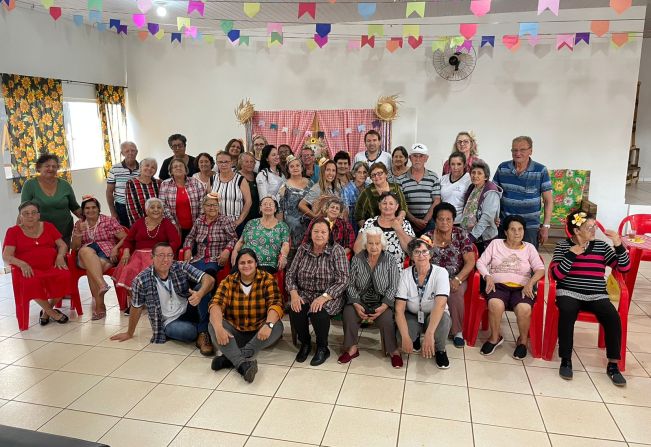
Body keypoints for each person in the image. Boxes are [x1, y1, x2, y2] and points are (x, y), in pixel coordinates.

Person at [551, 212, 630, 386]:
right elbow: (556, 274)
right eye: (589, 227)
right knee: (567, 312)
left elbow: (624, 268)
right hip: (568, 292)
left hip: (596, 294)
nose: (594, 230)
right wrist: (571, 255)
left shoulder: (601, 246)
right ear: (577, 230)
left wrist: (618, 244)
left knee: (612, 317)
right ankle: (566, 359)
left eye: (594, 226)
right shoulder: (563, 245)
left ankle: (613, 365)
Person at [111, 243, 216, 353]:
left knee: (202, 287)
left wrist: (199, 294)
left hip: (188, 308)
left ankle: (203, 331)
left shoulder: (180, 267)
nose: (166, 259)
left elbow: (209, 279)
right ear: (152, 257)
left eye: (169, 255)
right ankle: (204, 328)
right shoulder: (141, 280)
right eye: (161, 255)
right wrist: (129, 332)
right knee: (188, 332)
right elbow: (136, 307)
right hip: (170, 321)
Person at [208, 249, 284, 383]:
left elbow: (276, 303)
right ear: (237, 265)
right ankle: (243, 365)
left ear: (256, 263)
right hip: (234, 331)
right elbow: (216, 304)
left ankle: (230, 359)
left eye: (250, 262)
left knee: (277, 326)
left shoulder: (267, 279)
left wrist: (268, 325)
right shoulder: (228, 281)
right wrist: (219, 328)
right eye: (242, 263)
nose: (246, 265)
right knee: (213, 325)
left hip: (259, 332)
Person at [476, 215, 545, 359]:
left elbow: (540, 268)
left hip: (522, 287)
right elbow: (480, 262)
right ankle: (495, 338)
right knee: (495, 304)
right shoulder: (496, 244)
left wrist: (530, 283)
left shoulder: (529, 248)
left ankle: (523, 342)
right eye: (513, 229)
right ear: (506, 232)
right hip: (498, 286)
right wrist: (487, 276)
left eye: (520, 229)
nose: (517, 233)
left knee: (524, 308)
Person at [287, 218, 349, 366]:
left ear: (329, 234)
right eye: (316, 231)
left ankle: (322, 347)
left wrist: (324, 297)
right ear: (310, 233)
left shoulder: (337, 250)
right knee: (296, 309)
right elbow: (290, 274)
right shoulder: (303, 249)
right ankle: (306, 343)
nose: (319, 235)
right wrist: (294, 294)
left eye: (323, 232)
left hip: (330, 294)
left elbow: (343, 279)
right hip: (305, 292)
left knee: (318, 312)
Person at [341, 228, 402, 367]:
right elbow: (350, 284)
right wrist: (356, 302)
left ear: (382, 244)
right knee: (348, 313)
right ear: (365, 244)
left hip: (381, 302)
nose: (374, 247)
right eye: (370, 243)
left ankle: (393, 351)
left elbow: (394, 285)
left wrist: (385, 305)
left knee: (387, 319)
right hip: (360, 300)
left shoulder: (390, 259)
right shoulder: (357, 259)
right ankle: (351, 349)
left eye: (377, 243)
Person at [3, 201, 71, 325]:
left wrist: (60, 255)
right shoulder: (13, 232)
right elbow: (6, 256)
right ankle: (52, 313)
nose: (30, 216)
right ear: (20, 217)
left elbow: (62, 245)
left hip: (51, 266)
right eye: (26, 213)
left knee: (65, 276)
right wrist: (22, 264)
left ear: (39, 215)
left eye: (34, 213)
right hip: (28, 270)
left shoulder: (48, 226)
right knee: (31, 281)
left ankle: (46, 310)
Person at [182, 192, 238, 336]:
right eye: (208, 205)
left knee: (205, 282)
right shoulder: (199, 221)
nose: (212, 207)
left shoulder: (225, 220)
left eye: (214, 205)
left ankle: (203, 325)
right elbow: (190, 237)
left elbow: (233, 238)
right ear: (203, 207)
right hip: (198, 258)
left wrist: (227, 250)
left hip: (215, 259)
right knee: (185, 279)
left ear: (219, 207)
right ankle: (193, 314)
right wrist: (187, 249)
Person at [395, 238, 452, 369]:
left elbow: (440, 305)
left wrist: (429, 334)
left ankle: (440, 349)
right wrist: (405, 337)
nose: (421, 255)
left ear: (430, 254)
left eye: (425, 251)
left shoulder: (441, 273)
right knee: (400, 337)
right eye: (416, 252)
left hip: (435, 314)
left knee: (444, 320)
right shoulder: (405, 274)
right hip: (413, 314)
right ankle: (414, 340)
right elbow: (399, 309)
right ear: (411, 256)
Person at [424, 202, 475, 348]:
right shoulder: (428, 237)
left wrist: (458, 279)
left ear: (453, 220)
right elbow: (420, 258)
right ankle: (427, 327)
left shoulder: (461, 234)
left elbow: (470, 262)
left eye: (448, 219)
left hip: (457, 276)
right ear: (435, 220)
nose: (445, 222)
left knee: (455, 292)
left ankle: (457, 331)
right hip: (433, 277)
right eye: (441, 219)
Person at [71, 196, 127, 320]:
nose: (91, 210)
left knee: (92, 270)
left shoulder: (109, 221)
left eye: (93, 207)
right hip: (84, 256)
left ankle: (100, 306)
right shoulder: (79, 224)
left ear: (98, 208)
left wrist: (116, 248)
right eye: (87, 208)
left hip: (106, 253)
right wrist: (78, 233)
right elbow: (74, 247)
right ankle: (102, 285)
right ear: (83, 210)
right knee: (86, 251)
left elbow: (125, 237)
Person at [493, 136, 553, 249]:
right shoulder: (503, 168)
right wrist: (493, 218)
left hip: (529, 225)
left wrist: (545, 226)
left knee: (527, 260)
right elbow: (493, 195)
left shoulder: (541, 170)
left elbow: (548, 201)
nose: (518, 153)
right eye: (514, 150)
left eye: (522, 150)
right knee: (501, 258)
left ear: (531, 151)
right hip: (505, 224)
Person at [113, 198, 181, 295]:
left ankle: (151, 302)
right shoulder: (139, 223)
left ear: (162, 210)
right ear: (146, 210)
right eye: (152, 207)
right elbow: (128, 240)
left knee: (150, 272)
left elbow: (175, 242)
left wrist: (164, 254)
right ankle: (136, 303)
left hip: (158, 255)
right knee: (128, 270)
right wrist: (126, 251)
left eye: (159, 207)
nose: (156, 210)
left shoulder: (167, 223)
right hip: (137, 256)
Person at [20, 153, 81, 245]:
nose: (51, 169)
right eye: (47, 166)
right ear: (39, 167)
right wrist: (19, 232)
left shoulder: (65, 184)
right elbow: (24, 210)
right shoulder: (30, 185)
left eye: (54, 166)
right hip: (40, 232)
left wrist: (92, 214)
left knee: (63, 256)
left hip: (64, 231)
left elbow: (75, 207)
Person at [356, 191, 415, 268]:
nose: (387, 206)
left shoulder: (404, 224)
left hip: (396, 268)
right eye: (384, 203)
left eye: (391, 204)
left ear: (397, 207)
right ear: (379, 205)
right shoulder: (370, 222)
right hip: (372, 267)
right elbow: (357, 247)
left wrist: (398, 229)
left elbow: (411, 249)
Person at [232, 196, 290, 274]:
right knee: (233, 279)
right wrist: (235, 252)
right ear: (260, 208)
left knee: (256, 280)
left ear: (275, 209)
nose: (268, 206)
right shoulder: (251, 223)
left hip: (267, 264)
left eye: (271, 204)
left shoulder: (282, 226)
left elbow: (285, 244)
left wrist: (284, 256)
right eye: (265, 204)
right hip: (245, 261)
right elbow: (241, 241)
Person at [396, 143, 441, 237]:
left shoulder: (433, 177)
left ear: (426, 158)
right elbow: (400, 203)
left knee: (428, 249)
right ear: (410, 158)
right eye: (415, 156)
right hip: (407, 223)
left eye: (421, 156)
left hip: (428, 223)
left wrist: (425, 221)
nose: (417, 159)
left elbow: (436, 201)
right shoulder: (400, 179)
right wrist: (414, 220)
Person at [460, 160, 502, 254]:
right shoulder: (472, 188)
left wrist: (472, 237)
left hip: (483, 239)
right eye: (473, 173)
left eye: (479, 173)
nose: (475, 175)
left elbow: (487, 218)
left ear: (486, 176)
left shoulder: (490, 191)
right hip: (469, 236)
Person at [160, 158, 206, 241]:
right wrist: (174, 225)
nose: (178, 168)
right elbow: (163, 206)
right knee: (178, 251)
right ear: (171, 172)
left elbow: (203, 203)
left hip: (196, 226)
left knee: (193, 251)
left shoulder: (195, 182)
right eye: (175, 167)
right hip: (175, 227)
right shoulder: (165, 184)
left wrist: (198, 225)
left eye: (181, 166)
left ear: (186, 170)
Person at [278, 155, 313, 262]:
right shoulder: (284, 185)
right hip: (291, 227)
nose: (295, 168)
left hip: (308, 225)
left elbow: (315, 204)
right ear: (288, 169)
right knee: (292, 258)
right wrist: (281, 229)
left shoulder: (310, 183)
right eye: (292, 166)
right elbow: (280, 209)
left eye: (297, 165)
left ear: (302, 167)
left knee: (307, 257)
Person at [355, 162, 407, 228]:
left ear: (386, 174)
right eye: (373, 175)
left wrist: (400, 217)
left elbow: (403, 206)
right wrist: (366, 230)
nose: (377, 177)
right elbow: (359, 215)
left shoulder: (395, 188)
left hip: (396, 225)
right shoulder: (366, 192)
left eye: (379, 173)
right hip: (374, 230)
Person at [212, 151, 252, 236]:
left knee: (235, 248)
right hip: (217, 225)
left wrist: (238, 221)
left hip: (236, 224)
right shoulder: (212, 180)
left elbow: (248, 202)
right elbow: (209, 201)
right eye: (220, 162)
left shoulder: (240, 179)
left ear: (231, 163)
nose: (223, 164)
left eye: (226, 162)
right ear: (217, 163)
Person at [106, 141, 140, 227]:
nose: (130, 153)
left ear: (137, 152)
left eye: (133, 150)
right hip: (121, 208)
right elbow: (109, 192)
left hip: (139, 206)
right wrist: (113, 212)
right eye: (127, 151)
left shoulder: (143, 168)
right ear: (122, 153)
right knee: (125, 233)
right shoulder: (115, 169)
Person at [125, 157, 160, 226]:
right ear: (140, 168)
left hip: (158, 222)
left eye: (153, 167)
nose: (149, 168)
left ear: (155, 171)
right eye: (147, 165)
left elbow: (162, 205)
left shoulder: (158, 183)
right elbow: (132, 208)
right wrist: (142, 225)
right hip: (140, 224)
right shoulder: (131, 183)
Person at [440, 151, 471, 224]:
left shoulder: (469, 179)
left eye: (459, 164)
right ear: (449, 165)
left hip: (460, 222)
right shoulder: (443, 179)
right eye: (453, 164)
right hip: (443, 221)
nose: (455, 167)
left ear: (464, 165)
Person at [341, 161, 369, 234]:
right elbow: (345, 212)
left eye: (364, 172)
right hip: (352, 226)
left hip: (369, 225)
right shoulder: (347, 189)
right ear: (354, 174)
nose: (362, 175)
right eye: (359, 172)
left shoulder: (369, 187)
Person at [237, 152, 260, 225]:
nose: (249, 164)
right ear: (241, 163)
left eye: (252, 161)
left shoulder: (258, 176)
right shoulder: (236, 177)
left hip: (257, 215)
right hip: (242, 216)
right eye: (246, 161)